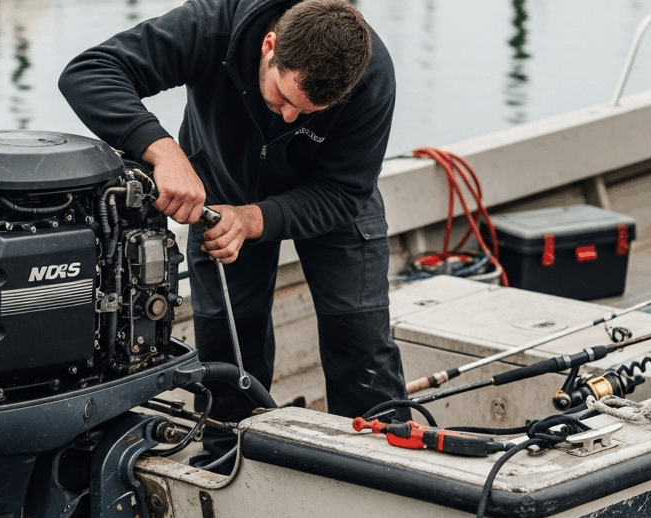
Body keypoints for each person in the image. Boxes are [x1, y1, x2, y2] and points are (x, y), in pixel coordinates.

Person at [60, 0, 408, 468]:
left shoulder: (370, 76)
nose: (289, 118)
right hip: (221, 189)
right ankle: (231, 461)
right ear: (270, 46)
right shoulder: (211, 26)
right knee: (229, 341)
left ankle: (380, 466)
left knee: (360, 340)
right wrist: (162, 151)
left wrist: (252, 220)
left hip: (332, 200)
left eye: (308, 112)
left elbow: (344, 192)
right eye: (283, 97)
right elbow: (90, 71)